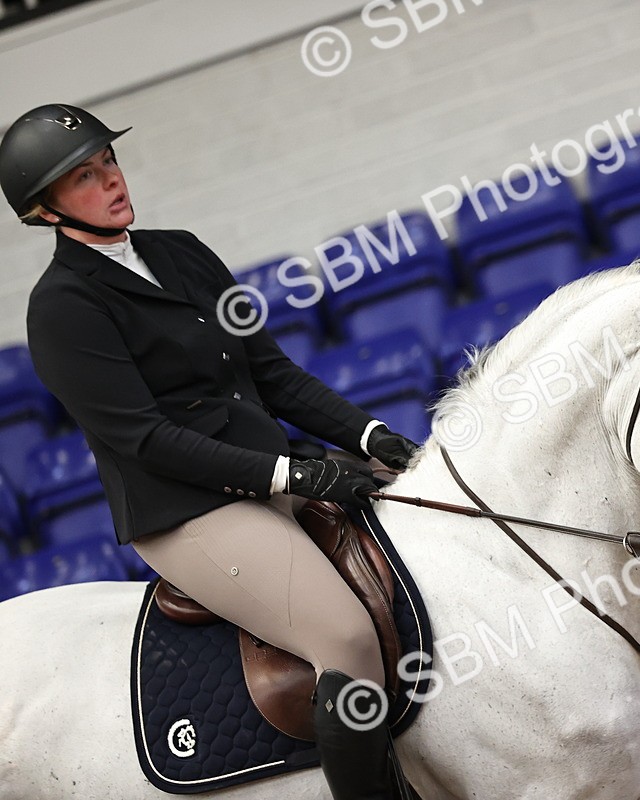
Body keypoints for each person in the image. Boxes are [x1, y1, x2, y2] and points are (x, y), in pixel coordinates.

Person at [1, 103, 419, 800]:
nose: (111, 180)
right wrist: (289, 473)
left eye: (108, 161)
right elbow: (145, 439)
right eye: (84, 177)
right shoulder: (62, 308)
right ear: (45, 210)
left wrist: (372, 437)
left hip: (269, 473)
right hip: (187, 510)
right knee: (346, 640)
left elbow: (273, 374)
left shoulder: (183, 252)